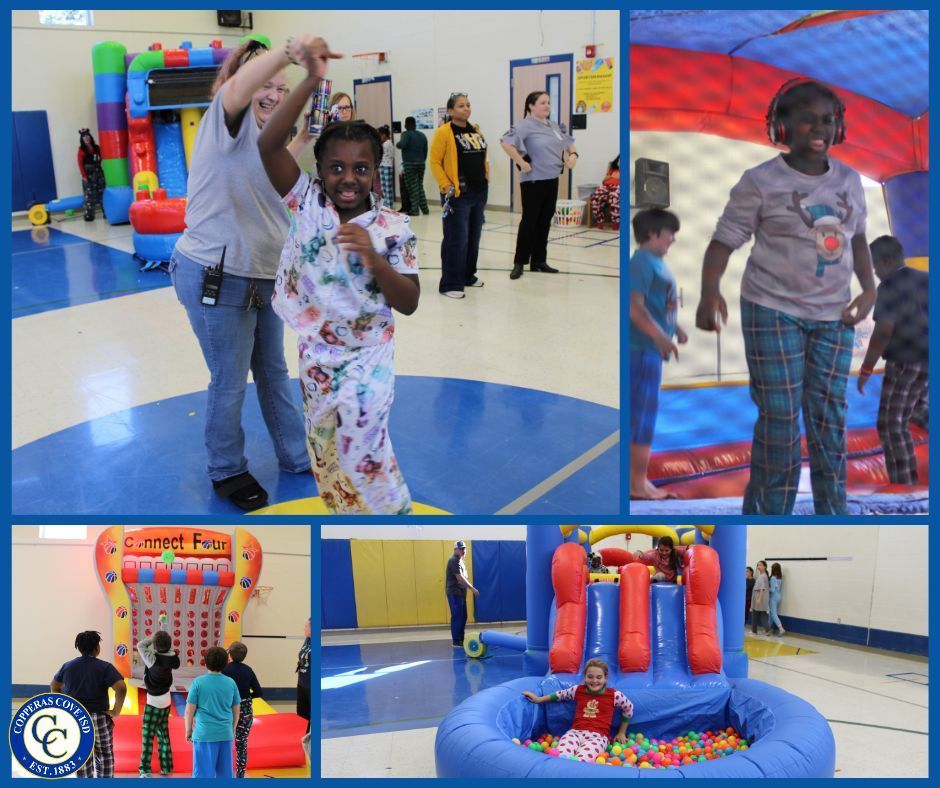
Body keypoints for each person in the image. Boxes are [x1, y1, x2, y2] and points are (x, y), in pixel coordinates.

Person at [696, 78, 877, 515]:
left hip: (833, 315)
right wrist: (709, 292)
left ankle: (832, 511)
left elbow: (857, 240)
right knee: (779, 418)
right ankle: (766, 514)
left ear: (839, 128)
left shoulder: (850, 181)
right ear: (782, 125)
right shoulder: (760, 181)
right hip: (772, 308)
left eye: (828, 121)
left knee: (829, 418)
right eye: (806, 120)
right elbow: (723, 241)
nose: (819, 128)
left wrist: (869, 289)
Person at [258, 38, 419, 515]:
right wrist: (309, 77)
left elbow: (408, 301)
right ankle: (349, 516)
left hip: (369, 357)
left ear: (376, 171)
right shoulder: (305, 203)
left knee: (365, 446)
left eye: (361, 168)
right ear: (320, 170)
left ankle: (393, 516)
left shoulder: (392, 227)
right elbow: (268, 144)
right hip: (318, 355)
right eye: (337, 168)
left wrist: (374, 258)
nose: (349, 178)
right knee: (326, 451)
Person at [171, 35, 317, 511]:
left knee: (273, 372)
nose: (274, 93)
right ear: (241, 83)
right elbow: (238, 91)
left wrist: (306, 137)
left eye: (282, 86)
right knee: (230, 379)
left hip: (262, 277)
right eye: (265, 84)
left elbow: (266, 173)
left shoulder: (264, 137)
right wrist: (290, 53)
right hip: (217, 274)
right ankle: (227, 469)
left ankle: (297, 455)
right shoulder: (223, 120)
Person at [857, 235, 929, 485]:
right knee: (914, 411)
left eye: (875, 266)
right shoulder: (926, 279)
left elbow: (883, 331)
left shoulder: (888, 287)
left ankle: (905, 487)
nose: (875, 273)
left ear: (885, 261)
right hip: (914, 361)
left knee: (891, 424)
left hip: (910, 361)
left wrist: (866, 368)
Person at [630, 208, 686, 500]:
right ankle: (636, 485)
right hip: (641, 350)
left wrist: (676, 328)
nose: (673, 239)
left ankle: (641, 481)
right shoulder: (641, 262)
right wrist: (660, 336)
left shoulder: (657, 264)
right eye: (670, 234)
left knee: (645, 415)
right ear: (652, 233)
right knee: (641, 416)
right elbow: (635, 307)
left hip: (652, 349)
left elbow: (659, 306)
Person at [500, 90, 577, 279]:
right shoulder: (524, 126)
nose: (547, 106)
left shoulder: (553, 126)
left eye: (548, 102)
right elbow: (505, 143)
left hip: (552, 179)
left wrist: (573, 155)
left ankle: (539, 261)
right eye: (542, 103)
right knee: (529, 221)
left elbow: (568, 142)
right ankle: (520, 262)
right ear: (531, 106)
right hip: (533, 181)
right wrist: (521, 161)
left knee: (545, 220)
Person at [429, 92, 489, 298]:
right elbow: (435, 162)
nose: (466, 108)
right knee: (457, 238)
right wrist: (446, 185)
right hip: (457, 194)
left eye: (468, 105)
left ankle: (467, 275)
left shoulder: (476, 130)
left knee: (473, 237)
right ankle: (450, 283)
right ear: (451, 111)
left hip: (479, 192)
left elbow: (483, 157)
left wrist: (486, 175)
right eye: (461, 106)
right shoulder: (444, 132)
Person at [522, 658, 633, 762]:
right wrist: (538, 699)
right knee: (561, 757)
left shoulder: (614, 695)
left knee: (582, 761)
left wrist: (621, 732)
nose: (594, 681)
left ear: (605, 678)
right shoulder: (578, 690)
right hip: (575, 733)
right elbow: (560, 695)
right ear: (585, 677)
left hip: (598, 737)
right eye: (590, 676)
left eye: (599, 677)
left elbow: (629, 708)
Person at [51, 631, 127, 778]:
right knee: (104, 753)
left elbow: (54, 686)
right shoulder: (105, 667)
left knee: (81, 754)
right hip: (99, 717)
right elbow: (121, 688)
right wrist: (116, 711)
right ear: (97, 648)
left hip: (76, 717)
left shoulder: (68, 666)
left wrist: (62, 708)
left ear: (78, 647)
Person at [137, 615, 180, 777]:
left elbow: (141, 645)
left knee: (147, 736)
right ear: (169, 645)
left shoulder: (152, 660)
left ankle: (145, 770)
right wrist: (163, 626)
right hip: (166, 700)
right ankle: (166, 767)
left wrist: (154, 636)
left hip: (153, 702)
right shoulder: (172, 657)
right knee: (163, 734)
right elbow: (165, 645)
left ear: (155, 644)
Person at [223, 641, 264, 778]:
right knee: (242, 742)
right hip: (245, 710)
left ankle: (224, 772)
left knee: (225, 741)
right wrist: (247, 697)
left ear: (230, 654)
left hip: (228, 709)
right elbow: (259, 692)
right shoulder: (248, 670)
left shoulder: (225, 669)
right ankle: (240, 774)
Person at [446, 540, 479, 648]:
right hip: (454, 592)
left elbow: (464, 577)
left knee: (463, 616)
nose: (463, 550)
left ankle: (461, 639)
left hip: (461, 593)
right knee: (457, 616)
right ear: (455, 550)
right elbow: (459, 578)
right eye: (460, 549)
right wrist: (471, 588)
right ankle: (456, 641)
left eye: (464, 548)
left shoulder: (461, 562)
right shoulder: (453, 560)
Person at [397, 116, 429, 216]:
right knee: (419, 186)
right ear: (415, 124)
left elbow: (401, 145)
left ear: (406, 125)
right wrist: (421, 160)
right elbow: (425, 151)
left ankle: (414, 210)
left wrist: (398, 142)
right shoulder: (422, 135)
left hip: (410, 164)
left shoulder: (407, 134)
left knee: (412, 188)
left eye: (405, 124)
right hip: (421, 164)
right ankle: (425, 209)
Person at [77, 128, 105, 221]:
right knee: (89, 194)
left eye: (87, 136)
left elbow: (101, 158)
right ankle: (89, 214)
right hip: (88, 175)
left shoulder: (97, 148)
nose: (86, 138)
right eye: (84, 137)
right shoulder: (81, 150)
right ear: (82, 139)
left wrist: (98, 168)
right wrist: (84, 176)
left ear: (90, 137)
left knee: (102, 192)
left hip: (98, 173)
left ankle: (106, 211)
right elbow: (80, 164)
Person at [590, 155, 620, 230]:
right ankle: (600, 221)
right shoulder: (612, 169)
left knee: (614, 197)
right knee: (595, 197)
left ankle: (615, 223)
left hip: (618, 186)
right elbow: (604, 179)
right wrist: (611, 176)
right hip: (606, 185)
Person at [296, 618, 311, 759]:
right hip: (302, 682)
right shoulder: (306, 640)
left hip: (310, 684)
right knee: (301, 713)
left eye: (306, 626)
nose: (304, 628)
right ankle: (303, 742)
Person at [751, 561, 770, 635]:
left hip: (760, 598)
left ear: (765, 566)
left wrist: (759, 599)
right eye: (758, 565)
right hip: (760, 598)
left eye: (760, 565)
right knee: (756, 614)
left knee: (762, 615)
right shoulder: (762, 575)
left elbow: (762, 588)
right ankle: (754, 630)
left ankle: (766, 630)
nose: (759, 566)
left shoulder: (762, 576)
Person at [768, 563, 786, 635]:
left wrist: (766, 588)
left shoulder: (772, 578)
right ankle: (768, 629)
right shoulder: (780, 578)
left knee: (773, 614)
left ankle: (781, 629)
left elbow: (772, 590)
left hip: (773, 597)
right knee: (771, 614)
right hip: (779, 596)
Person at [377, 125, 394, 202]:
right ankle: (386, 204)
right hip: (383, 166)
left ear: (384, 135)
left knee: (387, 187)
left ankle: (389, 205)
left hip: (387, 166)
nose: (379, 138)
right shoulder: (384, 143)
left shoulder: (387, 143)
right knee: (384, 187)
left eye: (379, 136)